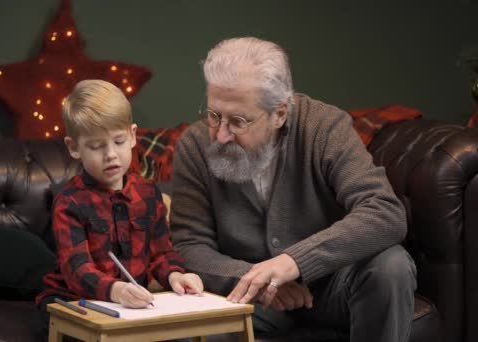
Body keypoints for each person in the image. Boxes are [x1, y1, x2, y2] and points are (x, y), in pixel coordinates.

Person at [170, 37, 416, 342]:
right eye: (214, 115)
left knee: (391, 265)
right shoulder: (194, 146)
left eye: (238, 121)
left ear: (280, 113)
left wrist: (294, 262)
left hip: (331, 289)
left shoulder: (324, 128)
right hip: (250, 301)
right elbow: (189, 246)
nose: (220, 135)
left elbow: (384, 212)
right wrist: (259, 281)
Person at [36, 80, 204, 335]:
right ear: (74, 148)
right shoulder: (70, 202)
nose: (111, 154)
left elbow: (161, 254)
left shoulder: (147, 193)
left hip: (128, 304)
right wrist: (115, 290)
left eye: (118, 141)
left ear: (133, 135)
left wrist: (175, 276)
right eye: (96, 146)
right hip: (74, 299)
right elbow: (77, 270)